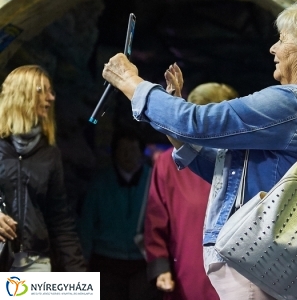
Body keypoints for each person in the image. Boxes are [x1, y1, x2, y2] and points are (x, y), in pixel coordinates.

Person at [102, 0, 297, 300]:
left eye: (283, 40)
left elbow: (199, 122)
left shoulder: (293, 105)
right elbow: (225, 172)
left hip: (258, 269)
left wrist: (131, 83)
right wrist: (176, 124)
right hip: (269, 270)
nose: (273, 49)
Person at [145, 83, 238, 300]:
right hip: (188, 275)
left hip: (238, 278)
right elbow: (156, 219)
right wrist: (160, 267)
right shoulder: (169, 163)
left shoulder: (242, 157)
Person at [0, 65, 85, 272]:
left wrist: (79, 275)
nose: (51, 98)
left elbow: (59, 219)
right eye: (42, 91)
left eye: (51, 91)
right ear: (22, 95)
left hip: (33, 263)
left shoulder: (50, 154)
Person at [79, 127, 159, 300]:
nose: (128, 155)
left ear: (141, 152)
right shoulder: (100, 182)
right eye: (123, 150)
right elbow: (87, 223)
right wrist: (82, 261)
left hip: (143, 263)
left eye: (132, 150)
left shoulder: (155, 181)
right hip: (106, 260)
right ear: (114, 153)